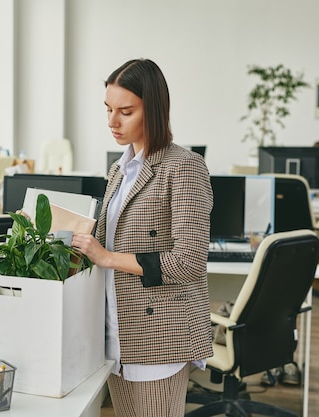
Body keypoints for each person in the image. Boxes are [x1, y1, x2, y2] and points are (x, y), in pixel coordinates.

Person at [71, 59, 213, 416]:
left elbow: (189, 262)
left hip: (159, 335)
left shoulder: (184, 167)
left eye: (126, 111)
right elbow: (108, 239)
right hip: (117, 333)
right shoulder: (119, 170)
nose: (112, 122)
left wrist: (106, 257)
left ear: (154, 109)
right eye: (108, 110)